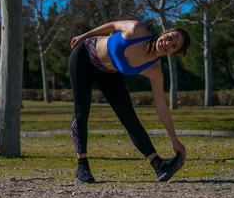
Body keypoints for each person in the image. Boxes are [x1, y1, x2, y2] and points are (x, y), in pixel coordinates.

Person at [68, 20, 191, 183]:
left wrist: (175, 140)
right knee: (82, 112)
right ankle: (82, 166)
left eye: (174, 46)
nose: (167, 43)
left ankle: (158, 165)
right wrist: (84, 35)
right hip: (84, 56)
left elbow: (161, 107)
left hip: (108, 73)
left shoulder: (154, 69)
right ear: (164, 32)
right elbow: (112, 26)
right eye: (169, 37)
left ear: (173, 53)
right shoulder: (136, 29)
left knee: (129, 117)